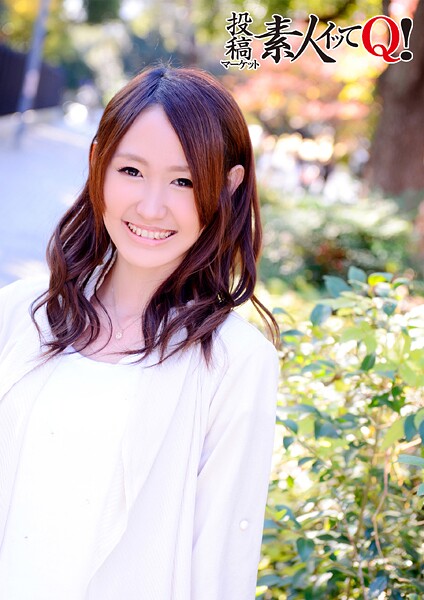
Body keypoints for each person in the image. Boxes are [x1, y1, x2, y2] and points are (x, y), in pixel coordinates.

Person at [0, 65, 280, 600]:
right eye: (131, 171)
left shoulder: (235, 363)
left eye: (184, 181)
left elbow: (220, 561)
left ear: (227, 187)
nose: (152, 207)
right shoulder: (19, 314)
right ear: (97, 163)